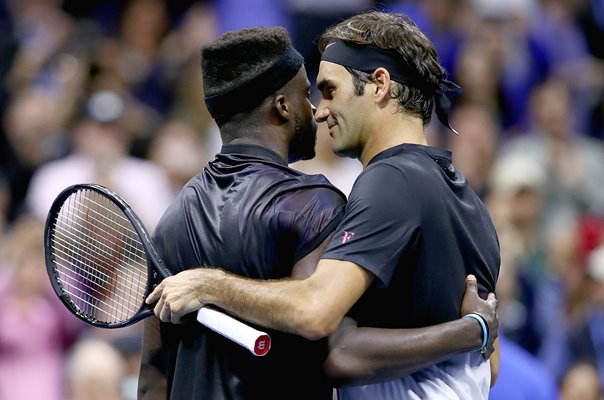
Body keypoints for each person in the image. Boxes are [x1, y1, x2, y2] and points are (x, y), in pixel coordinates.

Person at [141, 24, 498, 399]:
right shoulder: (475, 207)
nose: (321, 111)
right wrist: (474, 330)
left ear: (379, 85)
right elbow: (489, 365)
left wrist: (208, 284)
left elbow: (323, 327)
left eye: (329, 91)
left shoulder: (389, 181)